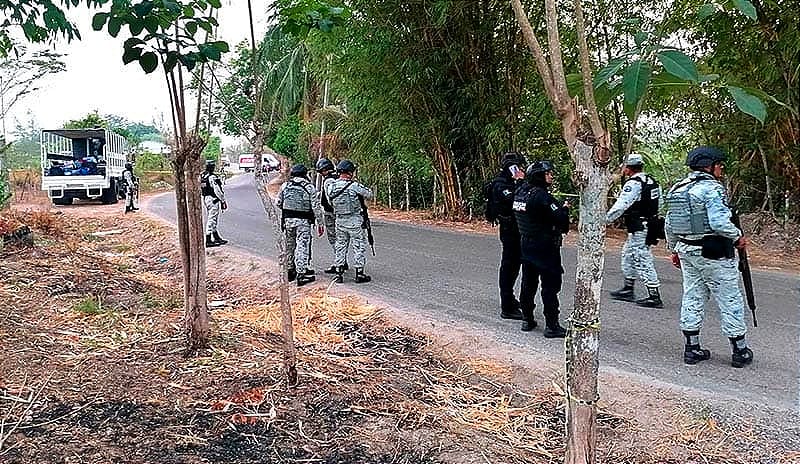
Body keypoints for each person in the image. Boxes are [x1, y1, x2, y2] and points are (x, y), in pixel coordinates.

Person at [664, 146, 753, 368]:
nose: (721, 168)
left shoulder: (678, 188)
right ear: (708, 166)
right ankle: (739, 351)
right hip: (713, 252)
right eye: (719, 164)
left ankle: (691, 348)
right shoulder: (712, 189)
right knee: (729, 298)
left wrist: (674, 248)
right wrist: (737, 237)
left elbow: (670, 223)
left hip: (687, 250)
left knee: (692, 295)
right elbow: (719, 223)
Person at [512, 160, 570, 337]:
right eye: (547, 173)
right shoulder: (542, 196)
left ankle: (527, 319)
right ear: (539, 176)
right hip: (545, 246)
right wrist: (565, 209)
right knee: (550, 286)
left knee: (528, 284)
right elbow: (560, 218)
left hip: (526, 245)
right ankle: (552, 325)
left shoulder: (520, 193)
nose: (551, 175)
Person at [606, 153, 663, 308]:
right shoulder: (652, 181)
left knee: (642, 258)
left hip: (640, 227)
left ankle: (654, 295)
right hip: (645, 225)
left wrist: (604, 221)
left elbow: (622, 204)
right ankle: (628, 288)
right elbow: (660, 203)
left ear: (627, 168)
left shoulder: (634, 183)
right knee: (628, 254)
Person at [487, 152, 526, 320]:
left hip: (517, 230)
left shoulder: (511, 183)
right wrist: (519, 182)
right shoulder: (501, 185)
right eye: (518, 166)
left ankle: (510, 299)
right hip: (509, 230)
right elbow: (514, 201)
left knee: (515, 266)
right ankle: (507, 306)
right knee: (509, 267)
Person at [324, 159, 374, 283]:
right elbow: (369, 194)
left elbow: (330, 202)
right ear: (350, 172)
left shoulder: (331, 187)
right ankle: (359, 273)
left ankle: (339, 273)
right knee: (358, 246)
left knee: (340, 246)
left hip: (340, 220)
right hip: (354, 220)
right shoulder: (354, 186)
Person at [277, 164, 324, 286]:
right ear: (304, 174)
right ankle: (301, 273)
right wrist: (320, 223)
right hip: (303, 222)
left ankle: (290, 270)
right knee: (302, 245)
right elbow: (316, 207)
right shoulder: (309, 187)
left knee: (290, 245)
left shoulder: (285, 186)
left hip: (288, 221)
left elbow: (278, 203)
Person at [316, 157, 342, 274]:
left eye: (321, 171)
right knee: (341, 238)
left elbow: (328, 198)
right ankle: (341, 261)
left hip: (330, 212)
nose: (321, 174)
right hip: (340, 212)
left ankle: (339, 263)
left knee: (333, 238)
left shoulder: (328, 181)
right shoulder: (340, 178)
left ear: (325, 170)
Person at [200, 159, 228, 247]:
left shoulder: (203, 175)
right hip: (213, 199)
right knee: (212, 218)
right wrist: (223, 200)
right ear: (212, 167)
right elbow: (217, 190)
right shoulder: (212, 177)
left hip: (206, 198)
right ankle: (208, 239)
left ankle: (216, 237)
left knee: (213, 218)